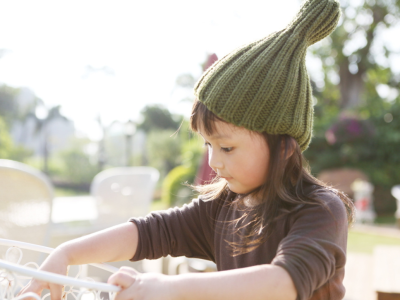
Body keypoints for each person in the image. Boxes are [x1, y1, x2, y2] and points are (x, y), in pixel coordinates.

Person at [19, 0, 355, 299]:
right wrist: (66, 253)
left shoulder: (320, 210)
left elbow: (283, 283)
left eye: (226, 146)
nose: (213, 161)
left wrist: (167, 289)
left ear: (284, 147)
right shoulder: (224, 207)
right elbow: (151, 231)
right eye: (208, 144)